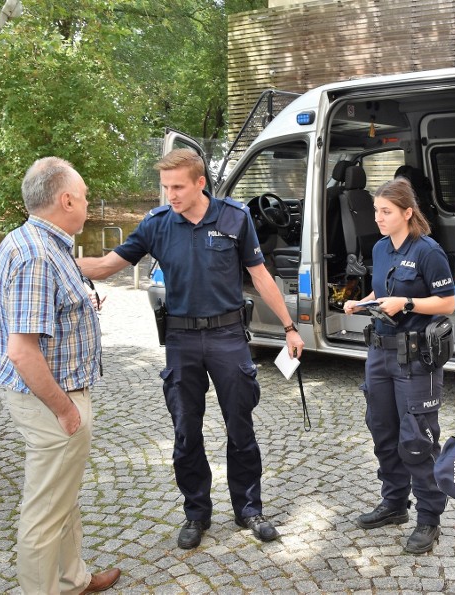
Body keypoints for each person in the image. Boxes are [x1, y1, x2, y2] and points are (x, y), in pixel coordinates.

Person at [77, 148, 305, 550]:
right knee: (186, 432)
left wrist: (289, 326)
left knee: (241, 427)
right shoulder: (157, 224)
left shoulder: (236, 217)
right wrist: (57, 255)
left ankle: (249, 509)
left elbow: (260, 275)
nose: (171, 195)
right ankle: (196, 514)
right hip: (181, 341)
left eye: (178, 187)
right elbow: (106, 265)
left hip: (228, 338)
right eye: (166, 187)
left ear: (200, 182)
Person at [0, 157, 120, 594]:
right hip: (51, 400)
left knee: (62, 500)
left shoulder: (37, 242)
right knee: (44, 512)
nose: (85, 205)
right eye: (82, 198)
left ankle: (72, 580)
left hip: (54, 395)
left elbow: (46, 313)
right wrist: (65, 411)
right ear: (65, 200)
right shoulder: (38, 255)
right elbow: (23, 352)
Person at [343, 177, 455, 554]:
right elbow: (382, 291)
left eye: (386, 212)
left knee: (417, 440)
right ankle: (394, 505)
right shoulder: (379, 247)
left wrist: (407, 303)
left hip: (416, 359)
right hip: (379, 353)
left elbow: (447, 302)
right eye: (376, 211)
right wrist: (363, 303)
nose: (378, 218)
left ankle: (429, 519)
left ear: (408, 213)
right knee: (384, 432)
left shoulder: (428, 251)